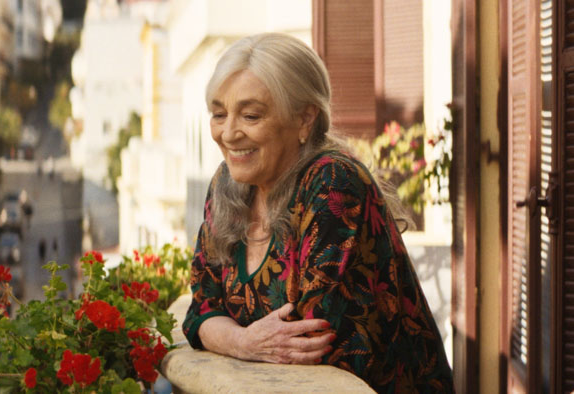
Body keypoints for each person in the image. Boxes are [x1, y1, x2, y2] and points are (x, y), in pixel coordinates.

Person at [182, 33, 454, 393]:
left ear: (304, 119)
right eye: (218, 114)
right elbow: (200, 310)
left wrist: (230, 334)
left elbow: (308, 340)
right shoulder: (227, 184)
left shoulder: (332, 183)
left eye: (250, 115)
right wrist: (243, 342)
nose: (228, 133)